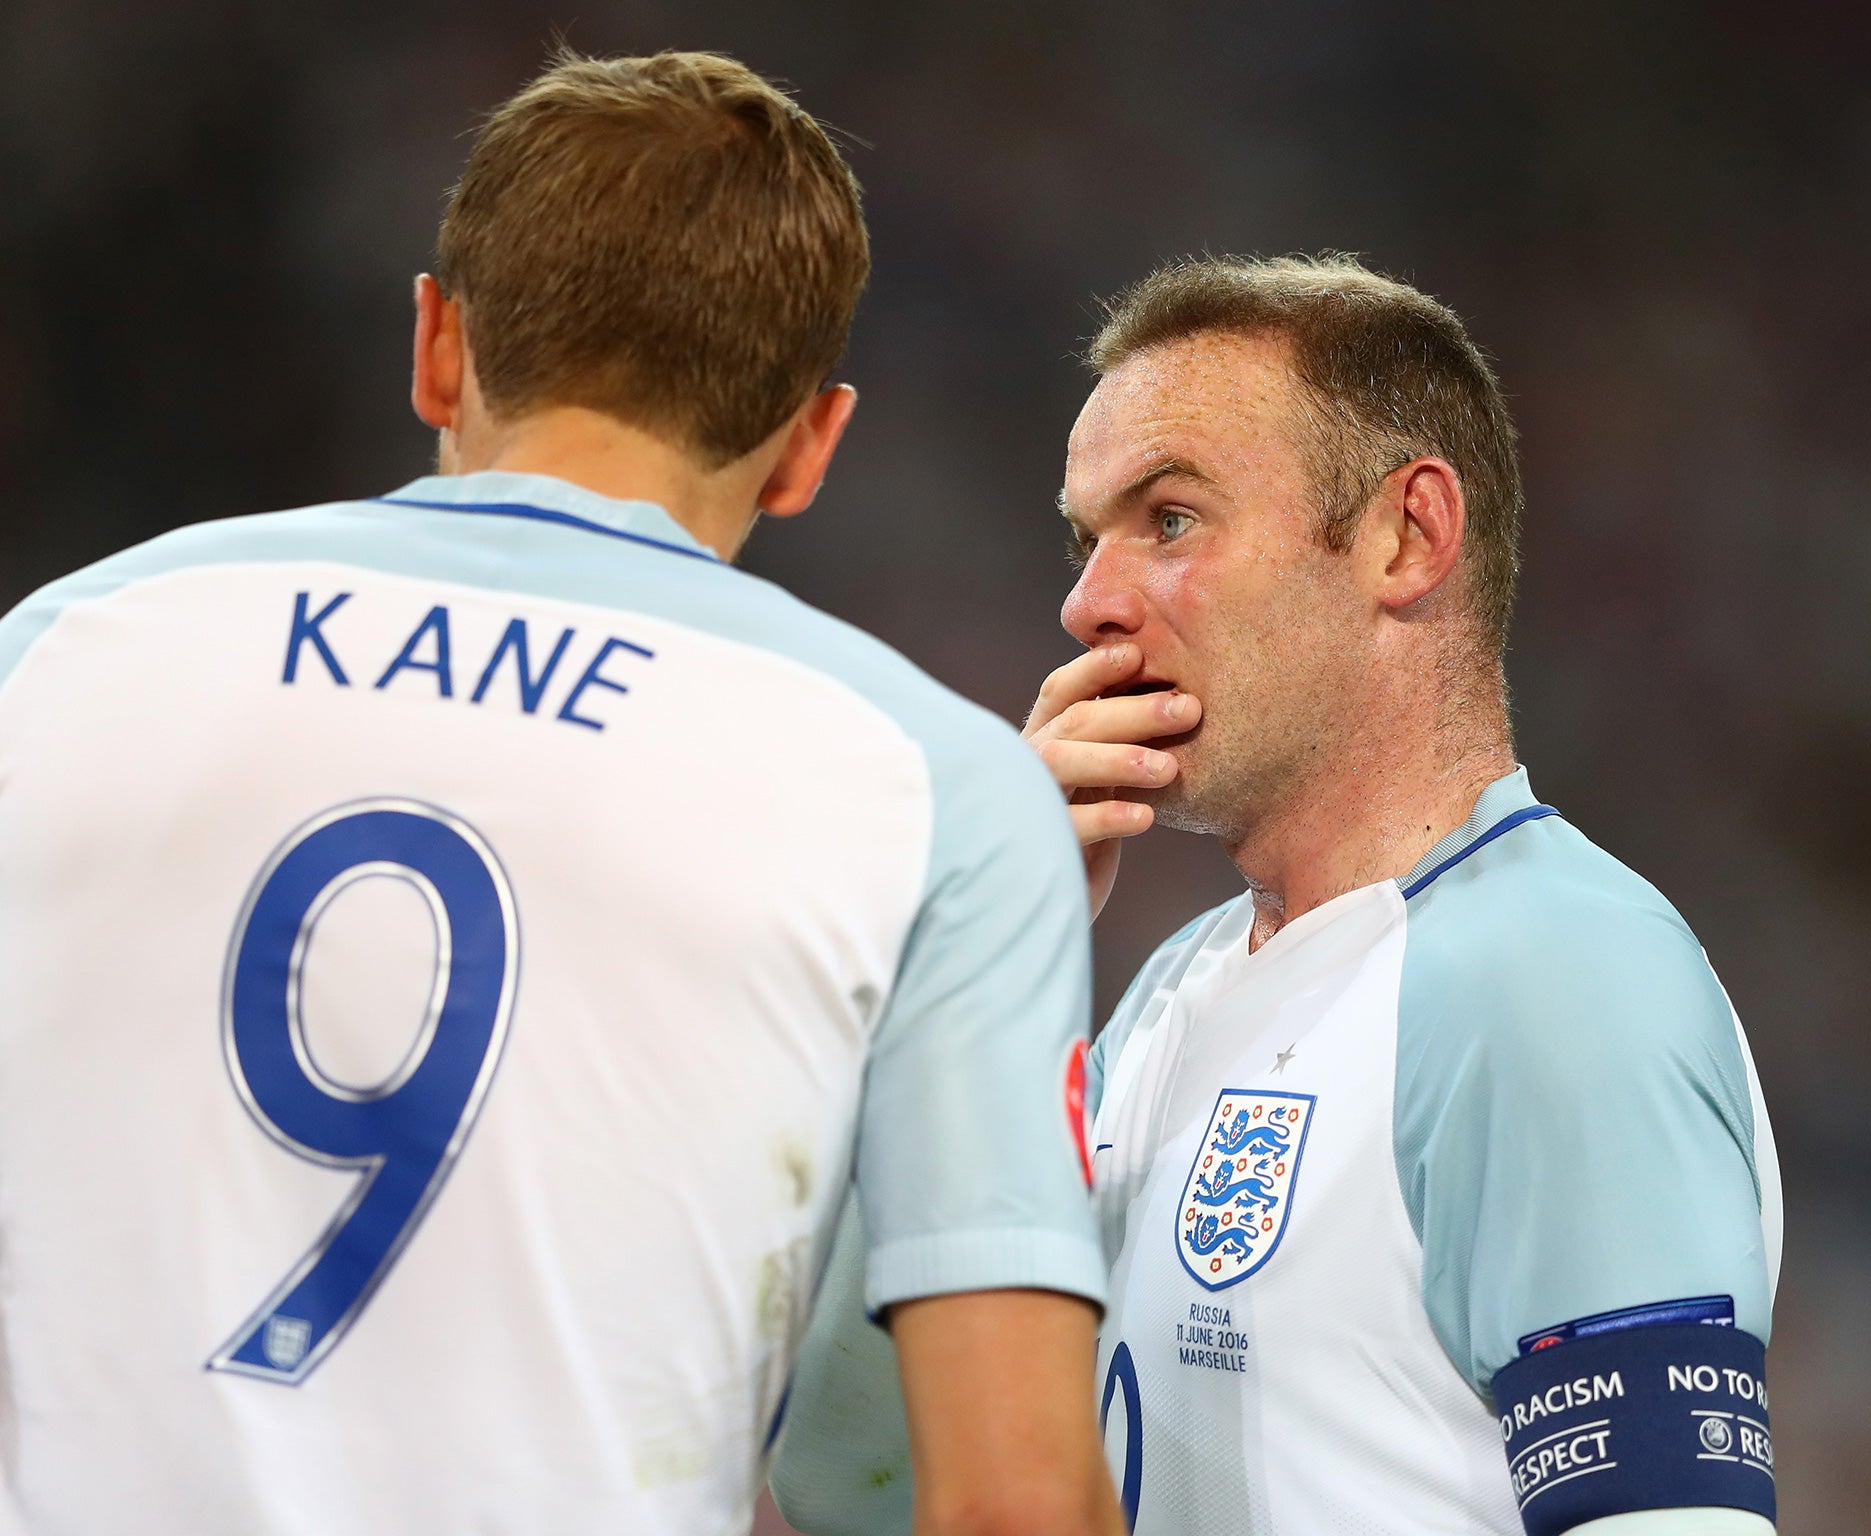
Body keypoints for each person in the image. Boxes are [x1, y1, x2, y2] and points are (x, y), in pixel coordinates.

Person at [0, 51, 1122, 1536]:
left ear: (437, 348)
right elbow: (1013, 1505)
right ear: (809, 445)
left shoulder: (57, 656)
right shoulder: (941, 797)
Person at [772, 255, 1782, 1536]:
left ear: (1405, 536)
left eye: (1170, 519)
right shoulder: (1167, 998)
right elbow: (855, 1485)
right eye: (1087, 539)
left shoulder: (1555, 982)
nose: (1086, 601)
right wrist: (974, 974)